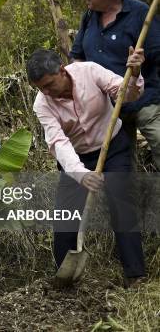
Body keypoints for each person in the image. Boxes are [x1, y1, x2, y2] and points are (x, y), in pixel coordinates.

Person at [28, 48, 146, 288]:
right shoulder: (42, 104)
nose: (46, 92)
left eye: (49, 85)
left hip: (111, 147)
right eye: (41, 88)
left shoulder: (89, 71)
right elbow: (58, 143)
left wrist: (134, 75)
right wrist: (81, 174)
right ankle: (65, 279)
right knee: (65, 216)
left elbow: (125, 93)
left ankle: (135, 274)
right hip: (75, 158)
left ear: (61, 70)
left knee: (121, 204)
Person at [70, 0, 160, 166]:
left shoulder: (139, 13)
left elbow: (157, 54)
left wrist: (141, 62)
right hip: (108, 108)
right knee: (121, 164)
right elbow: (78, 57)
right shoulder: (89, 17)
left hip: (144, 101)